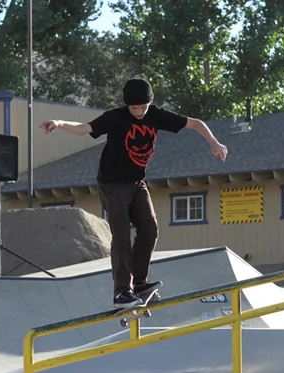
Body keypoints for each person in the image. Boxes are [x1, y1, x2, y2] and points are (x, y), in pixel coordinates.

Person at [40, 78, 228, 308]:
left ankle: (139, 283)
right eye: (134, 108)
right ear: (127, 105)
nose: (139, 113)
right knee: (121, 237)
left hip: (137, 182)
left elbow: (196, 123)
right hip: (112, 184)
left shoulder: (156, 115)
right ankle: (122, 292)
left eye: (143, 108)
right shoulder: (115, 117)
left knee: (149, 228)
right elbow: (84, 129)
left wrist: (214, 143)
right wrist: (58, 122)